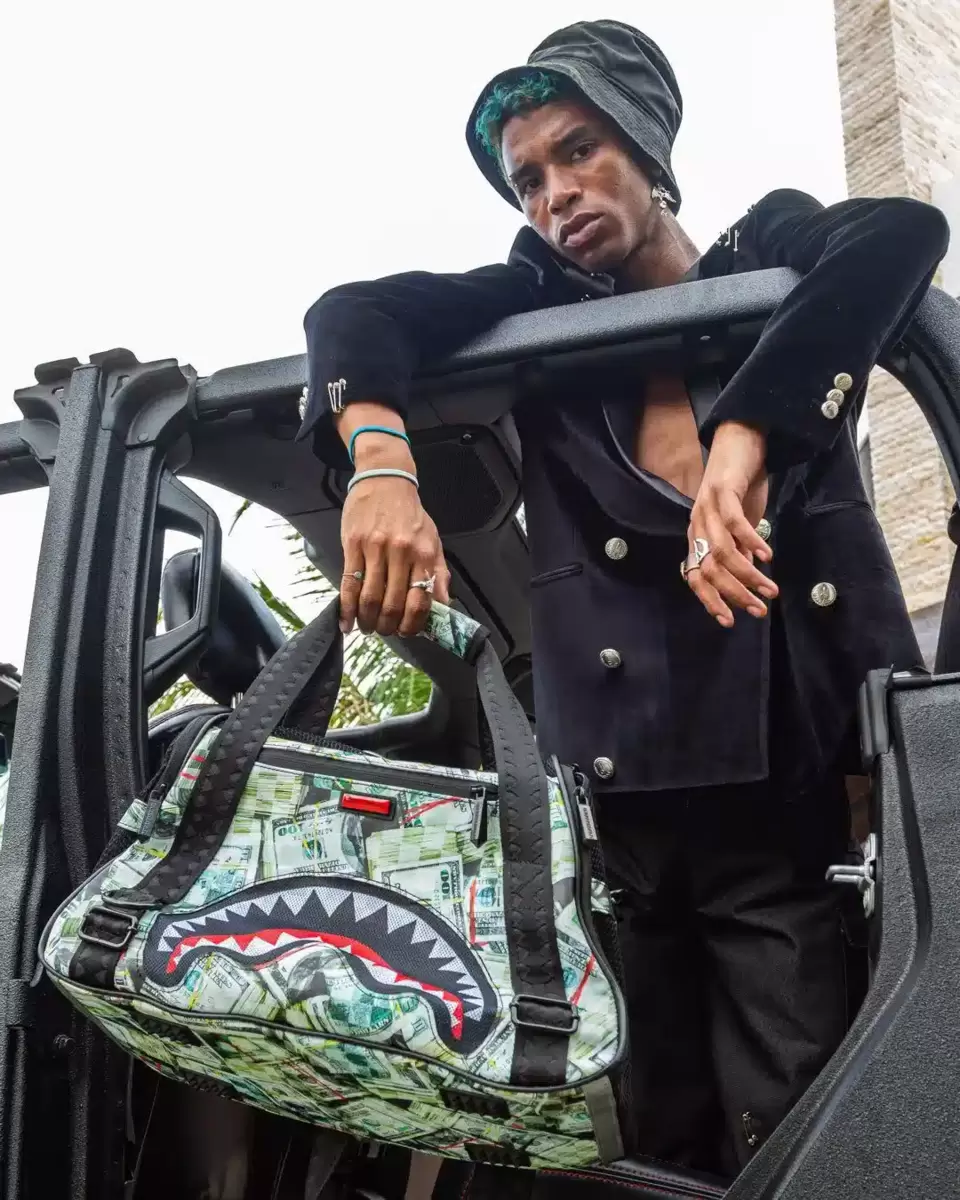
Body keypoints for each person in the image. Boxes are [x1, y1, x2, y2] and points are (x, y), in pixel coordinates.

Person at [297, 19, 950, 1177]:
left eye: (580, 150)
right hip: (622, 826)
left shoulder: (766, 255)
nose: (555, 193)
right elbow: (352, 313)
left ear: (647, 150)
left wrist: (748, 433)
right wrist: (382, 467)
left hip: (790, 802)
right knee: (651, 1134)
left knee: (795, 1121)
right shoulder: (534, 306)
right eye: (528, 178)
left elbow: (899, 232)